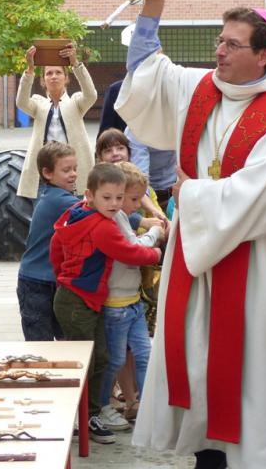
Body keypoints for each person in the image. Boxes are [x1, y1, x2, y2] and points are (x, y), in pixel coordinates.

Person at [117, 0, 266, 469]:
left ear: (264, 55)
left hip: (253, 264)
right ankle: (204, 452)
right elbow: (146, 72)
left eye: (232, 44)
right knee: (195, 365)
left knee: (242, 375)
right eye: (220, 41)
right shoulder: (203, 87)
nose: (219, 51)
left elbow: (263, 196)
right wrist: (154, 5)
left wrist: (192, 195)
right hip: (196, 258)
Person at [51, 163, 161, 445]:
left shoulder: (78, 213)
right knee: (91, 360)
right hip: (78, 301)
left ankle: (91, 412)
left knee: (99, 358)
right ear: (90, 194)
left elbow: (56, 248)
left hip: (78, 296)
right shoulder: (102, 226)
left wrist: (62, 275)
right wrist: (156, 252)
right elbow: (129, 253)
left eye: (119, 198)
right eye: (107, 198)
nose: (114, 204)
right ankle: (87, 417)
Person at [99, 162, 165, 432]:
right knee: (114, 360)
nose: (139, 204)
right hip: (116, 306)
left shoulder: (124, 216)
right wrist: (154, 234)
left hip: (131, 302)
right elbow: (133, 247)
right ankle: (102, 406)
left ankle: (145, 405)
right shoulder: (115, 218)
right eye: (135, 198)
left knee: (145, 352)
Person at [16, 42, 97, 199]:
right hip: (45, 173)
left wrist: (75, 63)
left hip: (73, 171)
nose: (53, 76)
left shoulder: (76, 102)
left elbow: (91, 95)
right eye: (49, 73)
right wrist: (30, 69)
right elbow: (21, 102)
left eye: (58, 73)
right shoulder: (38, 104)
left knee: (75, 216)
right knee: (44, 214)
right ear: (43, 80)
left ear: (66, 78)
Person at [16, 142, 79, 341]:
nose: (74, 174)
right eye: (67, 170)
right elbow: (97, 212)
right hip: (35, 284)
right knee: (40, 343)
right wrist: (142, 220)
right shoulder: (59, 200)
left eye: (75, 169)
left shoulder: (58, 196)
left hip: (50, 281)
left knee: (59, 339)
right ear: (48, 173)